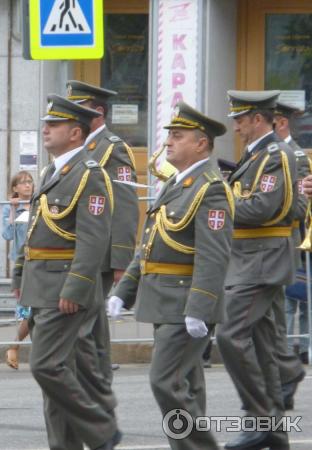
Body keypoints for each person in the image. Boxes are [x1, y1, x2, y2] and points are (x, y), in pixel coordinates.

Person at [111, 102, 232, 450]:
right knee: (187, 386)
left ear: (201, 144)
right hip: (163, 300)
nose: (169, 143)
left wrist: (201, 306)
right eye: (169, 136)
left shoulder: (210, 188)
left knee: (164, 381)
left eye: (178, 137)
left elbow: (214, 254)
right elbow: (149, 245)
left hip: (184, 303)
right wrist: (125, 290)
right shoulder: (176, 184)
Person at [13, 94, 120, 450]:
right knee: (55, 381)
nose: (45, 129)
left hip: (64, 289)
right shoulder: (52, 171)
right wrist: (19, 274)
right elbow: (36, 229)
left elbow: (93, 240)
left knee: (45, 366)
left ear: (76, 132)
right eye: (46, 123)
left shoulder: (89, 174)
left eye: (54, 125)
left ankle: (100, 426)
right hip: (41, 285)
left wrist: (75, 289)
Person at [215, 90, 296, 450]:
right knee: (266, 354)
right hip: (248, 257)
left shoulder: (276, 155)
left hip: (262, 259)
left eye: (239, 119)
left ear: (258, 119)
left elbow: (260, 208)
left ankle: (257, 411)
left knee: (230, 334)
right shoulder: (256, 155)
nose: (235, 126)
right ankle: (275, 436)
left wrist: (218, 196)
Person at [66, 80, 140, 385]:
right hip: (79, 245)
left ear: (97, 112)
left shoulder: (112, 148)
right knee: (89, 320)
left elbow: (125, 203)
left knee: (85, 318)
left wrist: (122, 258)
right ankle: (99, 377)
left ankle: (94, 381)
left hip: (102, 248)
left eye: (77, 107)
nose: (70, 114)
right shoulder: (77, 146)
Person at [271, 101, 307, 409]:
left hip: (290, 240)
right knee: (279, 307)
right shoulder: (267, 153)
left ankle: (294, 361)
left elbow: (301, 197)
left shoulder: (294, 154)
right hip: (269, 244)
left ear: (280, 123)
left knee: (290, 303)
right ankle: (283, 365)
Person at [2, 170, 34, 370]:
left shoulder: (41, 203)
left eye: (30, 182)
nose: (27, 186)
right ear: (15, 188)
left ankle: (15, 347)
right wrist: (14, 210)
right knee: (31, 311)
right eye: (22, 183)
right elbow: (7, 234)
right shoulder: (10, 208)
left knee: (35, 310)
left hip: (41, 260)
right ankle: (14, 346)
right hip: (24, 263)